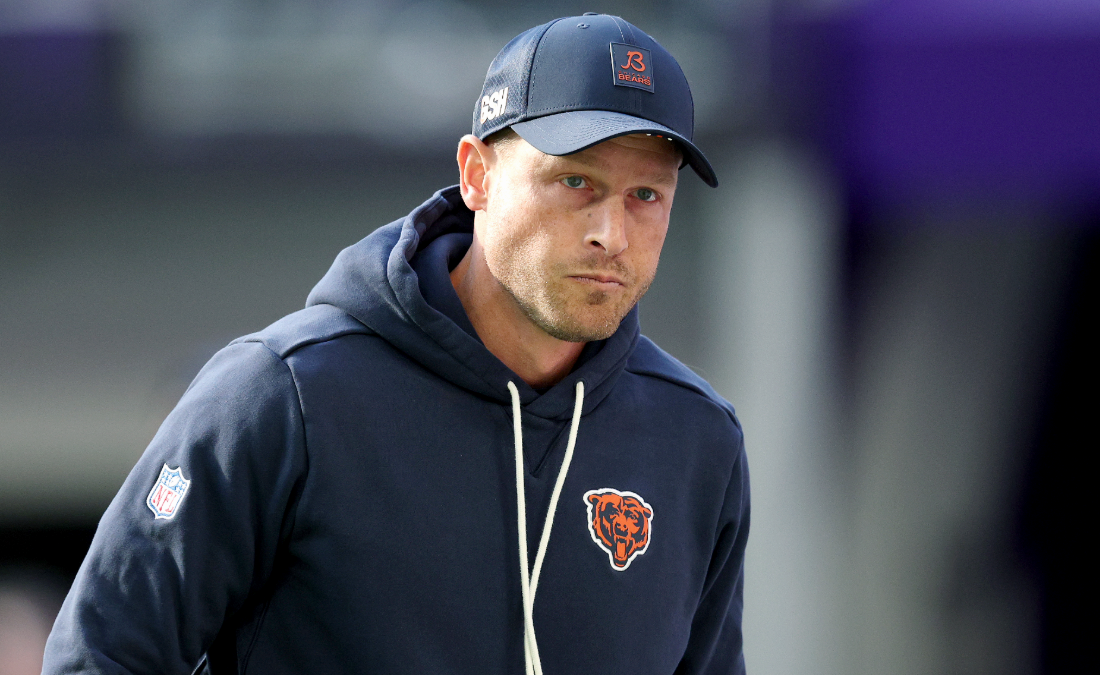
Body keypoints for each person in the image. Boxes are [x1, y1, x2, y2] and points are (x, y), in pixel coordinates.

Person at [43, 13, 749, 675]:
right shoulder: (283, 396)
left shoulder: (696, 440)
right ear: (477, 175)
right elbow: (102, 654)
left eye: (645, 196)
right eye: (574, 181)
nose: (611, 235)